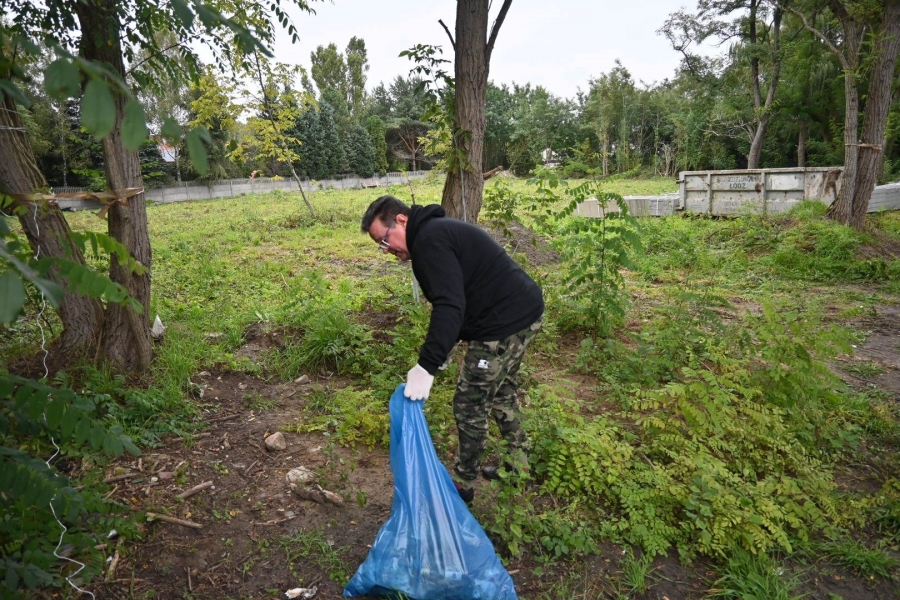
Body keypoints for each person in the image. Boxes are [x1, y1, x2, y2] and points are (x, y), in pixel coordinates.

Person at [361, 195, 544, 503]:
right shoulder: (434, 233)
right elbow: (460, 297)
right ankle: (519, 467)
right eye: (381, 245)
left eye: (385, 240)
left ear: (401, 221)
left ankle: (463, 483)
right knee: (502, 393)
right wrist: (444, 350)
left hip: (504, 323)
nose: (386, 250)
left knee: (469, 404)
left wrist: (427, 365)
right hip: (524, 312)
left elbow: (449, 305)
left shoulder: (429, 241)